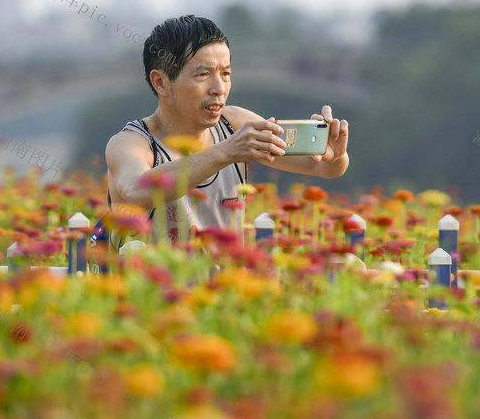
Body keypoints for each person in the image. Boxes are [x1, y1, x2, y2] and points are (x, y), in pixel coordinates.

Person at [102, 14, 349, 250]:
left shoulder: (235, 123)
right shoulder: (132, 142)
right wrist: (226, 151)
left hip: (224, 290)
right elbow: (136, 191)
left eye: (226, 73)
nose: (219, 88)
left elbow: (323, 168)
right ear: (161, 82)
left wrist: (333, 154)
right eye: (203, 74)